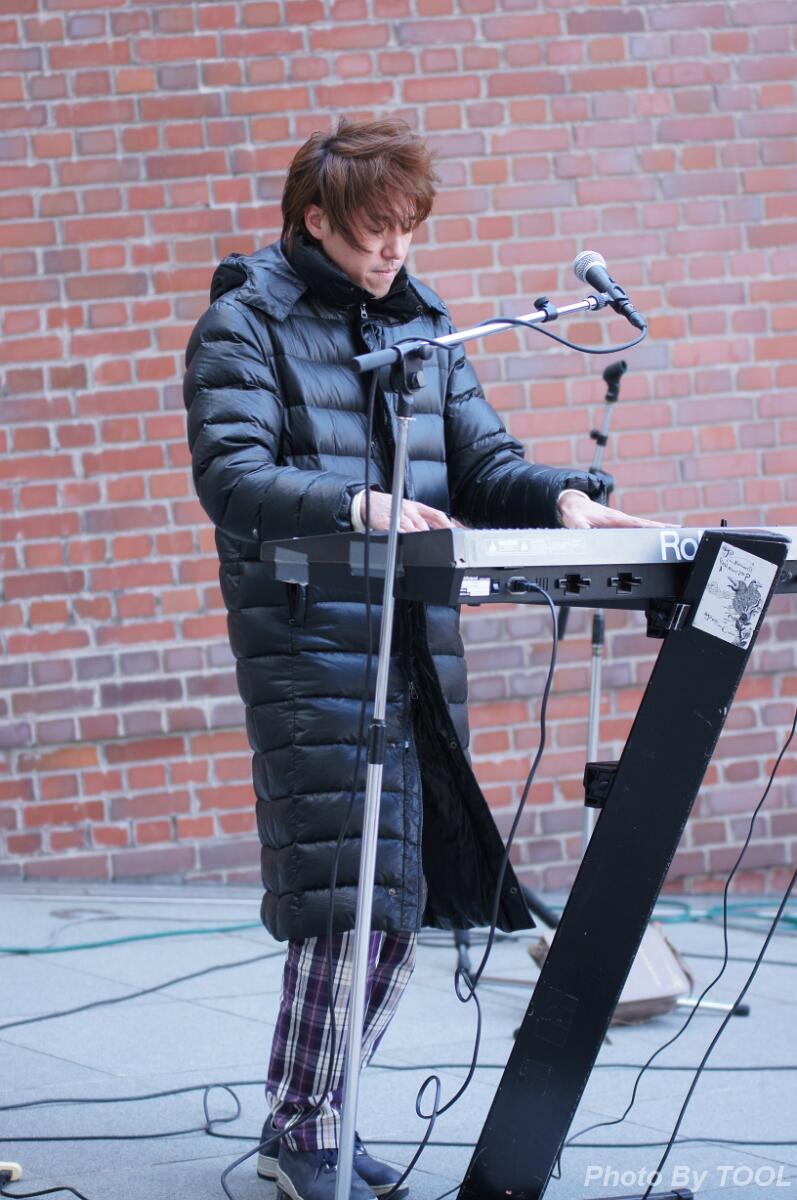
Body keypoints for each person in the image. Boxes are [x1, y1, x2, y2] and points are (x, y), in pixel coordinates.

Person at [183, 117, 660, 1200]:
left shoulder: (422, 324)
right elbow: (233, 478)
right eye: (372, 229)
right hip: (310, 643)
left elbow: (479, 464)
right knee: (346, 900)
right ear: (315, 219)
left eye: (406, 227)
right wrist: (352, 502)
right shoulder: (244, 322)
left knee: (398, 896)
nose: (392, 248)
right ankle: (302, 1128)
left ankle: (315, 1116)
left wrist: (560, 498)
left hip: (414, 643)